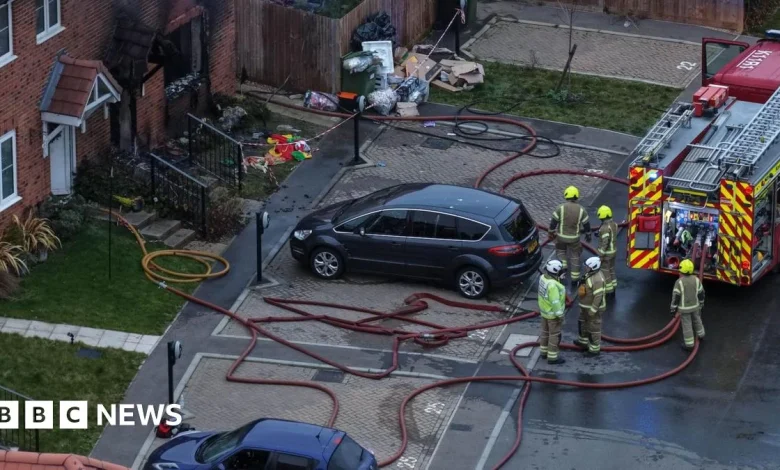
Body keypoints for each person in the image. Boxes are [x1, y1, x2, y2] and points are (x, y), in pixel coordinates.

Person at [549, 186, 592, 288]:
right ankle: (574, 280)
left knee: (561, 252)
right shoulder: (581, 210)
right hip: (574, 239)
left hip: (561, 237)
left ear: (566, 195)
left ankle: (563, 269)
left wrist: (551, 232)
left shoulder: (560, 208)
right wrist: (588, 234)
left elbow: (553, 222)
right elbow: (587, 225)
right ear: (577, 196)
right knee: (575, 257)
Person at [670, 259, 705, 351]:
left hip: (684, 309)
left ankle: (689, 345)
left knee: (687, 326)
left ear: (681, 271)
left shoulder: (679, 282)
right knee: (697, 320)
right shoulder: (696, 280)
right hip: (695, 307)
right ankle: (701, 335)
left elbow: (676, 297)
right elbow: (701, 293)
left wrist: (673, 309)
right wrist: (701, 303)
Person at [575, 257, 607, 357]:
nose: (585, 268)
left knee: (594, 328)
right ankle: (583, 342)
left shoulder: (597, 279)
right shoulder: (590, 274)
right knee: (583, 323)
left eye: (587, 266)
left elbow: (598, 297)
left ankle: (594, 349)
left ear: (593, 267)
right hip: (585, 307)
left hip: (592, 309)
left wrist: (593, 310)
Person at [538, 259, 567, 365]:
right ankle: (552, 357)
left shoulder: (543, 278)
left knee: (545, 333)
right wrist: (560, 315)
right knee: (554, 336)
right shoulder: (553, 285)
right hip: (553, 315)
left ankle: (543, 352)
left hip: (544, 312)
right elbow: (555, 302)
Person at [597, 205, 619, 295]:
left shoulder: (604, 228)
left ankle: (609, 291)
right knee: (611, 269)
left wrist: (600, 255)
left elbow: (605, 243)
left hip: (607, 254)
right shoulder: (614, 224)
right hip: (613, 251)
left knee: (605, 271)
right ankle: (614, 287)